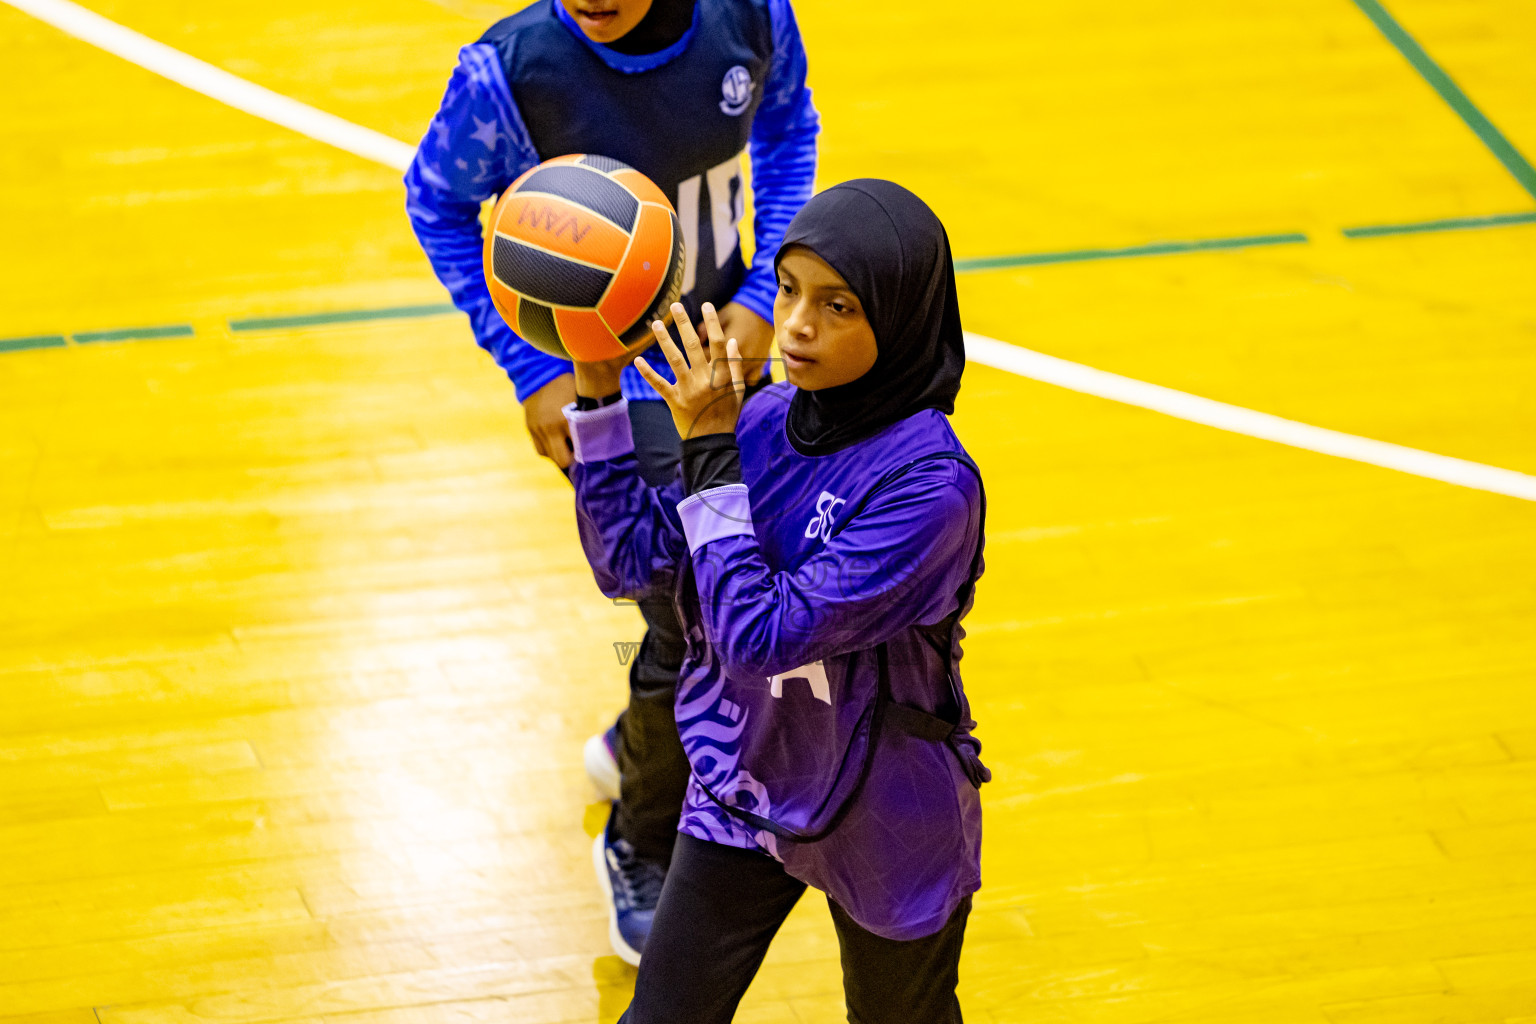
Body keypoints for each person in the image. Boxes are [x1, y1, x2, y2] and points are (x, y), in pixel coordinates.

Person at [402, 0, 819, 964]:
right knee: (690, 612)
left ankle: (636, 733)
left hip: (722, 365)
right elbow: (435, 201)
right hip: (616, 388)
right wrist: (532, 364)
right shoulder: (508, 74)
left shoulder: (752, 17)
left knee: (704, 604)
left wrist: (765, 295)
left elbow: (791, 127)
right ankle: (638, 839)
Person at [564, 180, 989, 1023]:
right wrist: (598, 393)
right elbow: (633, 564)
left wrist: (711, 445)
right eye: (789, 288)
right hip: (743, 772)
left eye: (837, 306)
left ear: (899, 319)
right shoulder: (763, 420)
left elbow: (763, 634)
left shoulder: (931, 491)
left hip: (885, 807)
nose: (795, 325)